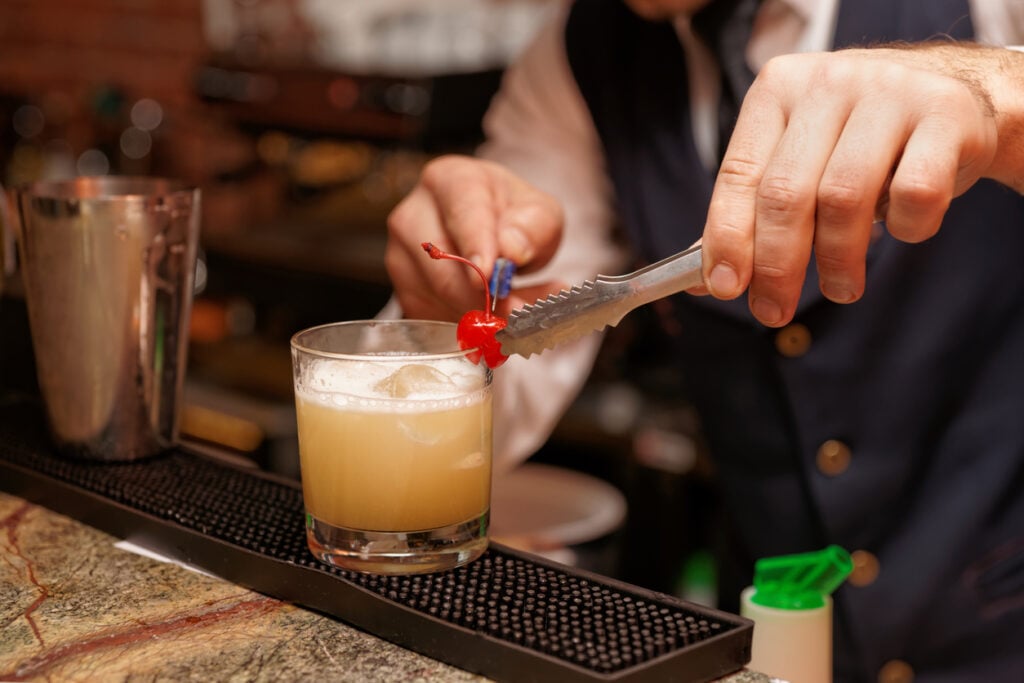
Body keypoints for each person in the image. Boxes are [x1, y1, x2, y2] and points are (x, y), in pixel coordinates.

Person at [384, 0, 1024, 680]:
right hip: (761, 641)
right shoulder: (575, 59)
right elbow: (487, 417)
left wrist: (995, 95)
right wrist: (433, 324)